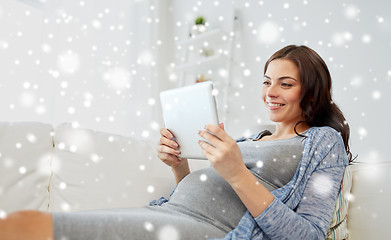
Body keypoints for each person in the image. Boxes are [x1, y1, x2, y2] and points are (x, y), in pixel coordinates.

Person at [0, 45, 352, 240]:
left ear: (312, 90)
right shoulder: (254, 136)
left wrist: (237, 172)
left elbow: (307, 236)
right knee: (25, 224)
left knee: (27, 226)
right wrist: (179, 164)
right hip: (167, 212)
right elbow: (209, 191)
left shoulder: (324, 142)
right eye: (266, 81)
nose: (270, 93)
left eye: (285, 84)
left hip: (206, 230)